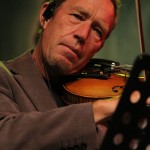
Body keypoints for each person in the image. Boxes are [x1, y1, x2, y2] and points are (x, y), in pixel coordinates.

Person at [0, 0, 121, 149]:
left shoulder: (106, 118)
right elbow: (5, 137)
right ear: (46, 16)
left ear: (100, 46)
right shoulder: (5, 78)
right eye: (77, 16)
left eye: (97, 31)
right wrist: (100, 109)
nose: (83, 35)